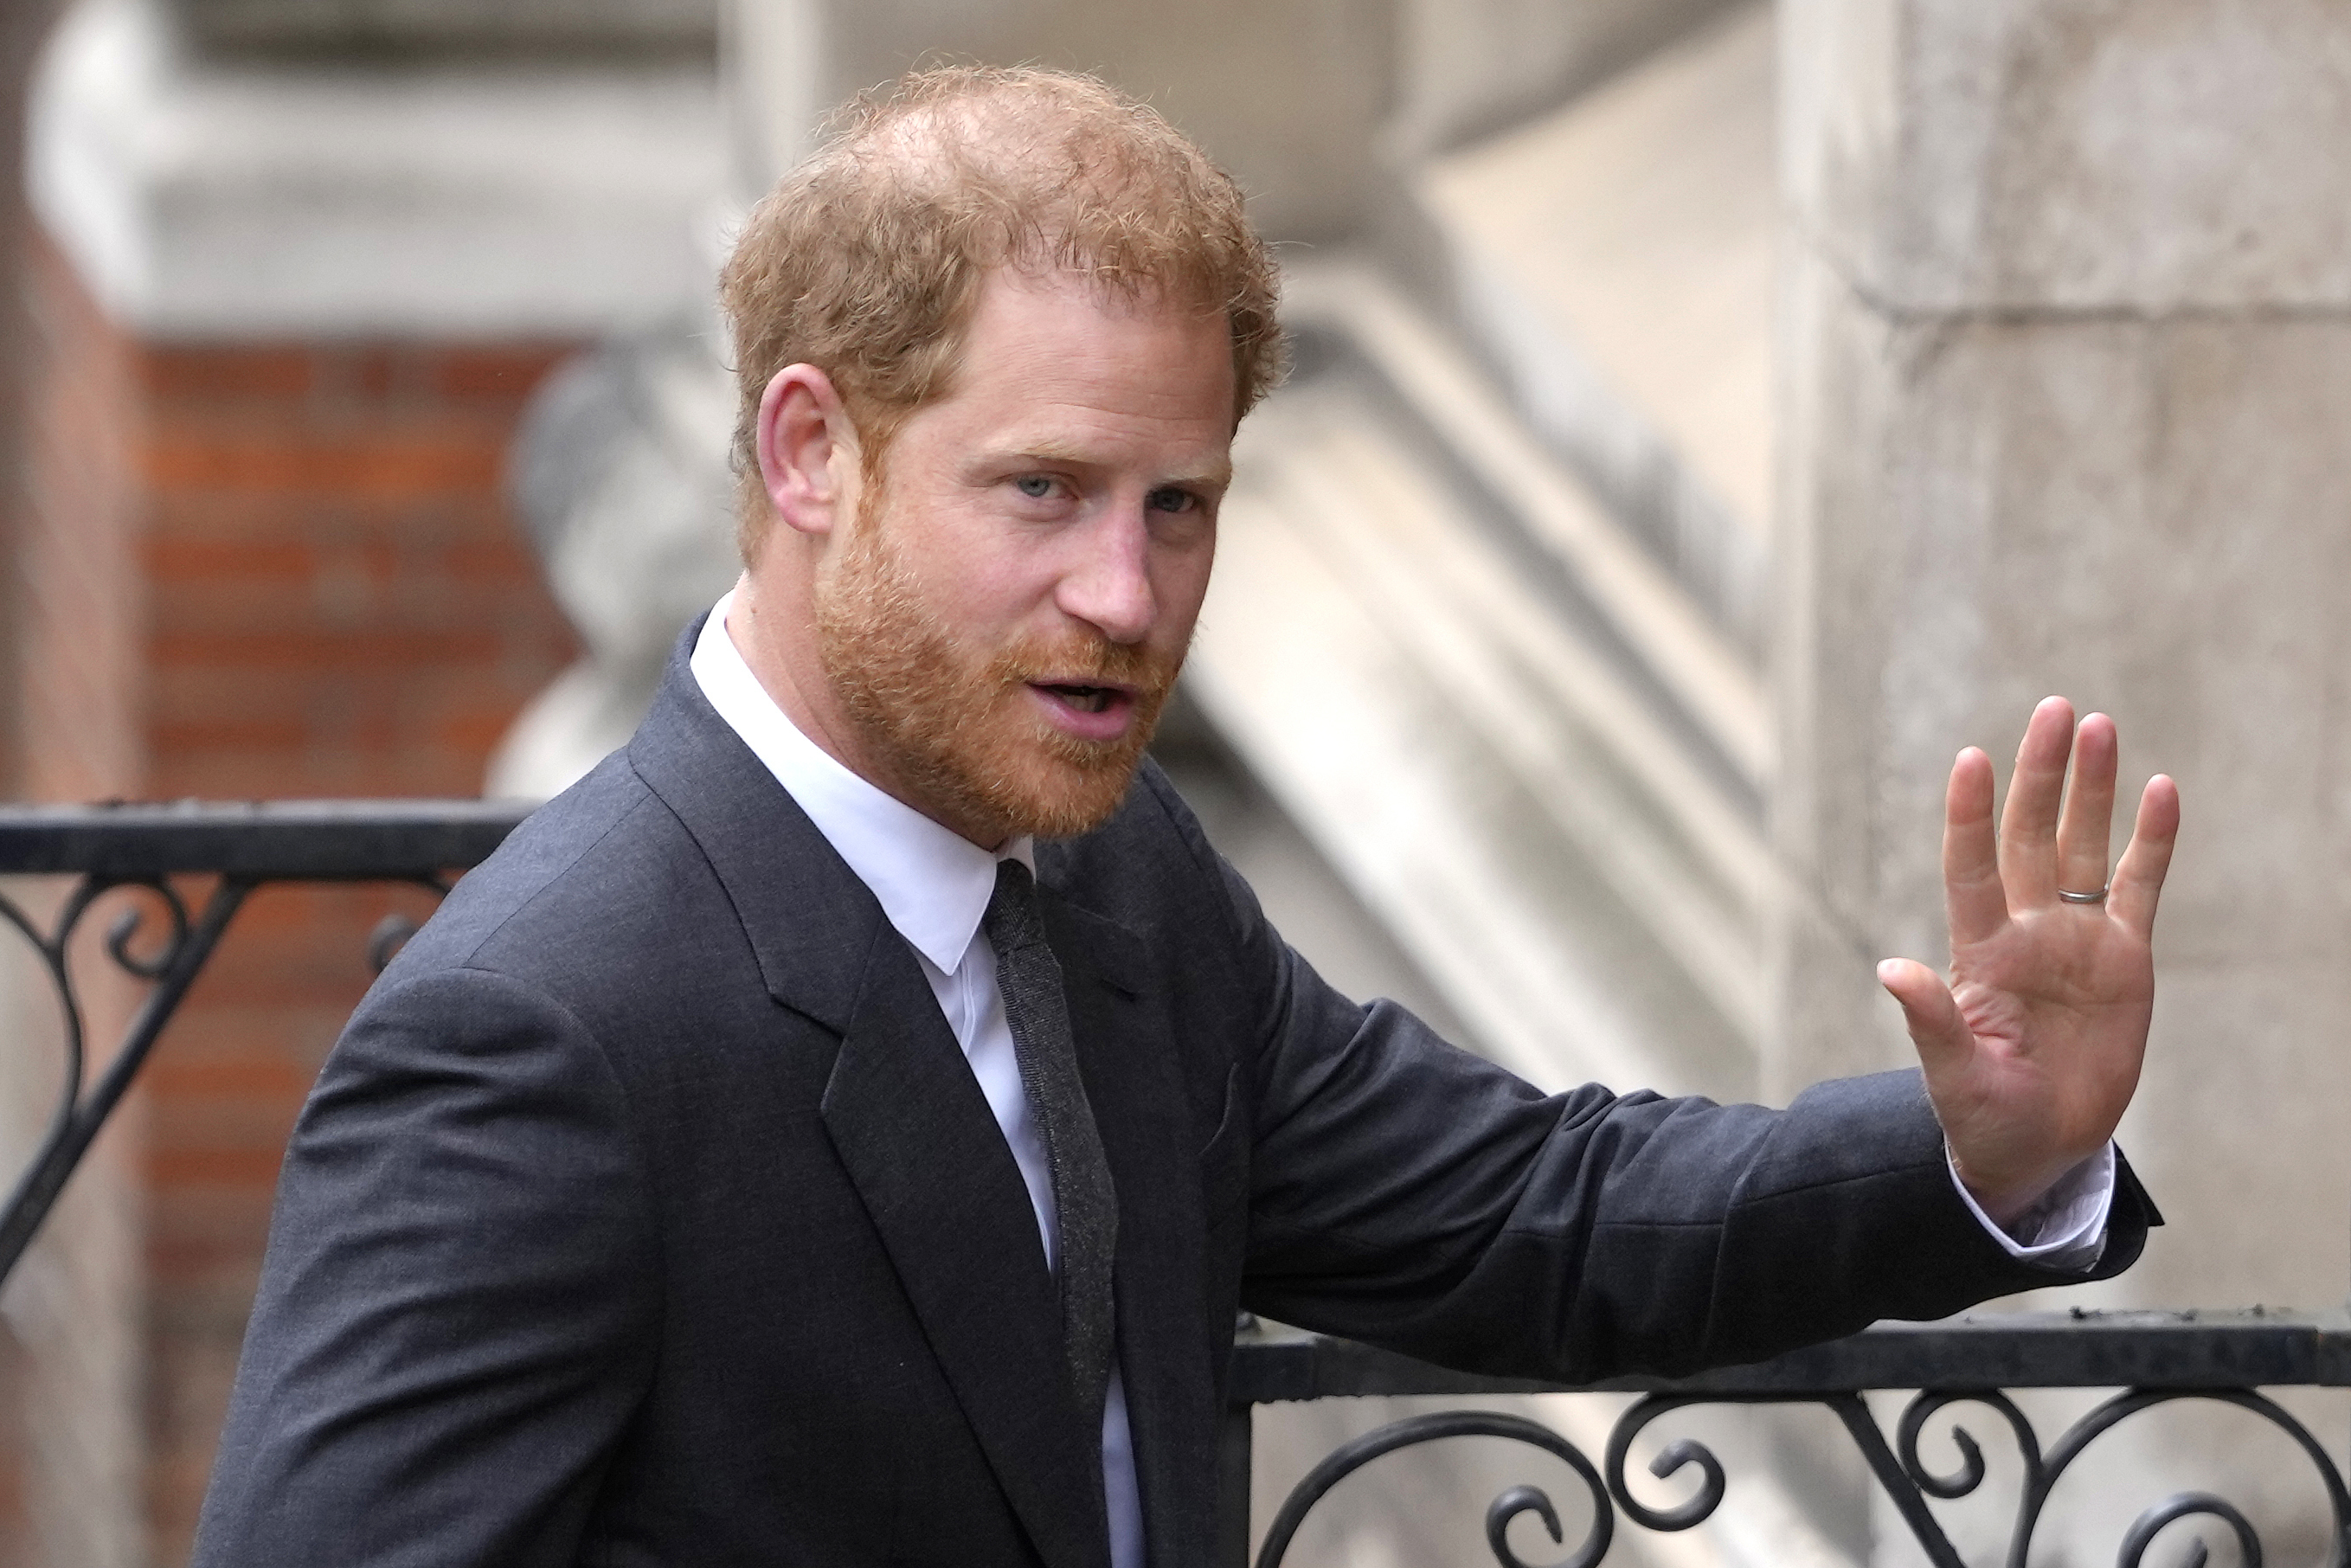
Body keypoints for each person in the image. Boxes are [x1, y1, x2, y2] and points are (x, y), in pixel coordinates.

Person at [190, 67, 2179, 1568]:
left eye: (1181, 505)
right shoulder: (537, 1033)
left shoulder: (1112, 880)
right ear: (813, 452)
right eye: (1042, 491)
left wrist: (1979, 1153)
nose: (1130, 602)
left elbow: (1524, 1213)